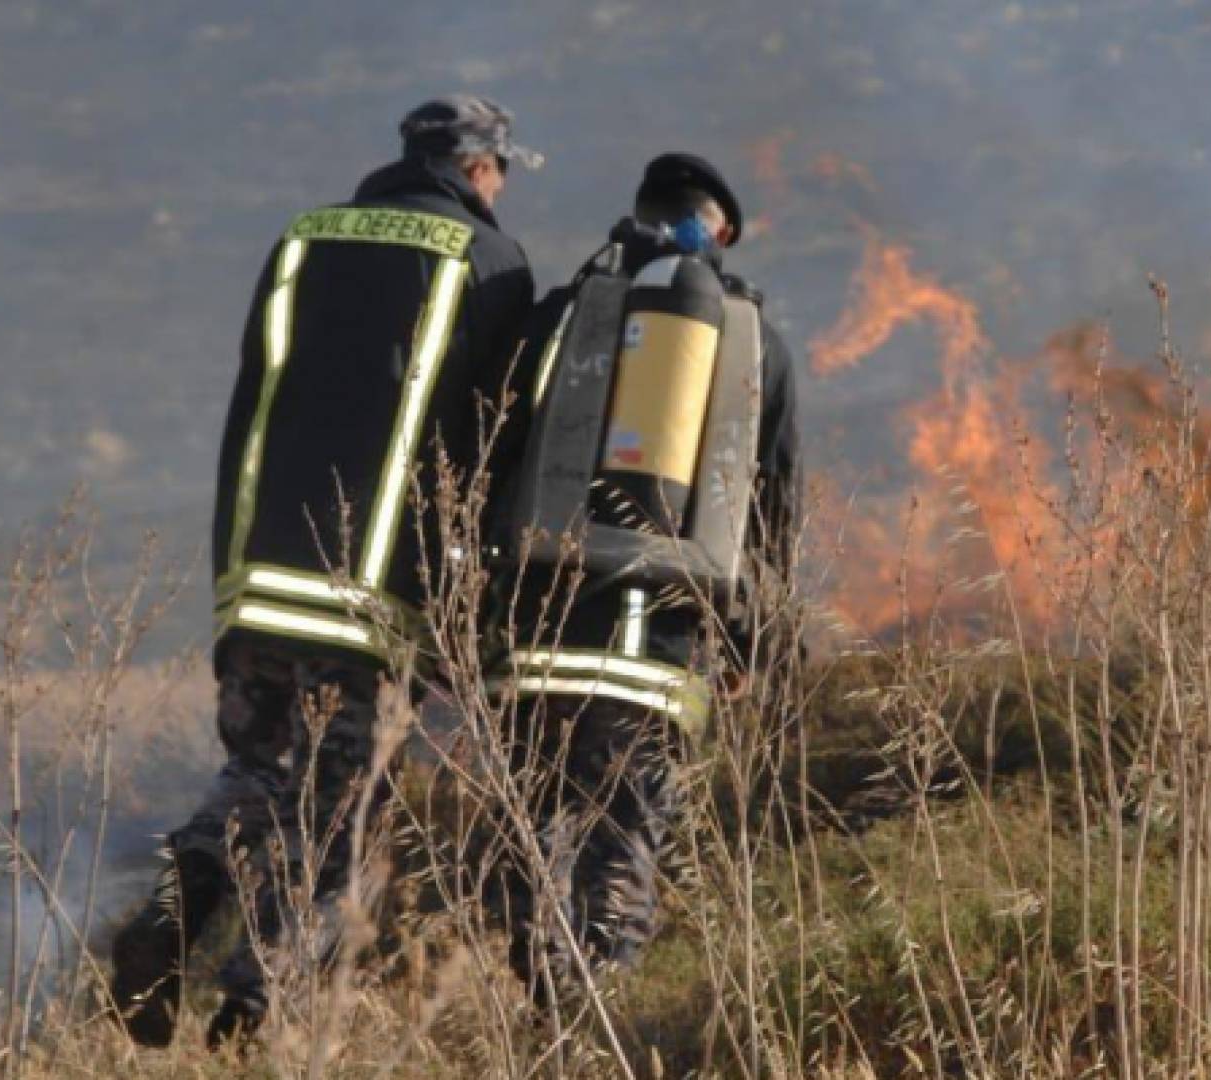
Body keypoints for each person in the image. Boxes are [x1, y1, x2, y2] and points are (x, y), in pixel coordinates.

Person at [109, 94, 539, 1048]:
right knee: (340, 808)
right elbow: (494, 441)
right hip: (372, 596)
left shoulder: (303, 238)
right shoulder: (489, 261)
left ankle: (178, 905)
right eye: (503, 171)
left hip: (261, 580)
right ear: (479, 168)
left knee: (261, 769)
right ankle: (256, 1004)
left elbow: (260, 390)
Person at [487, 152, 801, 1007]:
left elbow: (495, 452)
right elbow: (773, 517)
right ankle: (592, 1027)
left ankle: (543, 993)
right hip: (661, 659)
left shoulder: (563, 316)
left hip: (542, 639)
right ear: (721, 234)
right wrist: (748, 646)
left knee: (526, 839)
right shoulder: (755, 347)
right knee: (621, 853)